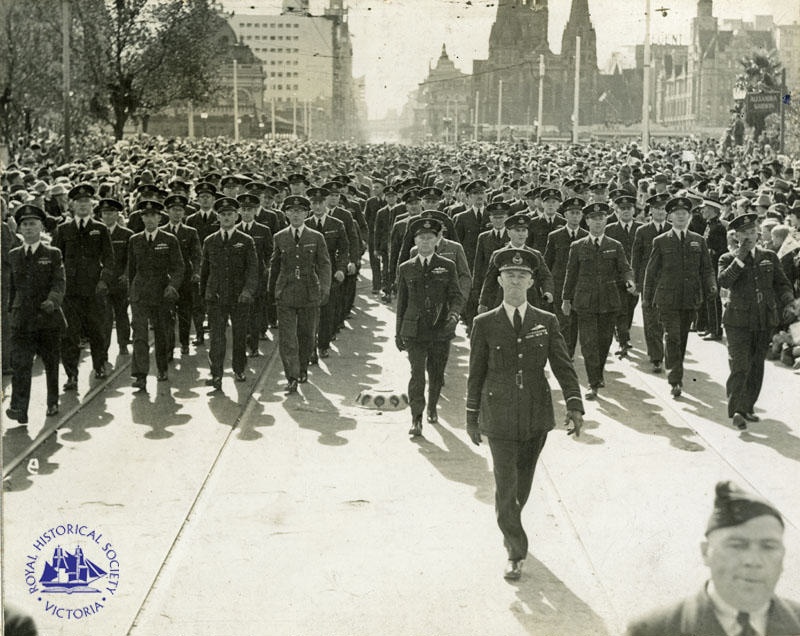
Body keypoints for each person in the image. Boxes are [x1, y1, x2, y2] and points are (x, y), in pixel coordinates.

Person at [466, 247, 584, 581]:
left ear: (532, 282)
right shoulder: (484, 323)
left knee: (521, 487)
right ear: (500, 280)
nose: (515, 281)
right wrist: (471, 415)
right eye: (509, 275)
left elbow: (563, 365)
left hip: (535, 414)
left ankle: (511, 526)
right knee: (506, 485)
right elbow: (475, 373)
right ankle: (516, 551)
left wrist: (574, 404)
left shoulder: (545, 321)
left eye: (522, 276)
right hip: (498, 412)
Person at [626, 480, 800, 636]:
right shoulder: (653, 630)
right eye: (737, 545)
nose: (753, 560)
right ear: (705, 552)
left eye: (769, 546)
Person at [717, 213, 795, 431]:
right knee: (739, 365)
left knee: (756, 366)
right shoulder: (727, 258)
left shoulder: (769, 255)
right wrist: (739, 258)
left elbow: (782, 283)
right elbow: (724, 281)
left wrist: (788, 300)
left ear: (758, 233)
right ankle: (737, 411)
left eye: (752, 232)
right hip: (737, 320)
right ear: (736, 237)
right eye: (744, 234)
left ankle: (748, 406)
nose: (749, 237)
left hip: (763, 319)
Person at [395, 217, 464, 435]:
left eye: (430, 238)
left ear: (437, 240)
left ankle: (432, 406)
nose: (425, 242)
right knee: (417, 374)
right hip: (414, 330)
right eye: (421, 238)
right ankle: (416, 417)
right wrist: (398, 332)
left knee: (436, 373)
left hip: (439, 329)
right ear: (415, 241)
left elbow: (456, 295)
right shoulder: (406, 268)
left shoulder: (447, 266)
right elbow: (402, 303)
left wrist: (453, 315)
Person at [643, 196, 716, 398]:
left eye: (685, 214)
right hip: (667, 298)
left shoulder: (698, 240)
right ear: (670, 217)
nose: (681, 217)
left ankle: (675, 370)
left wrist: (711, 285)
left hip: (690, 299)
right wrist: (647, 298)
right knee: (673, 336)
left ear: (690, 217)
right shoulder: (660, 241)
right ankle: (675, 380)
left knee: (681, 338)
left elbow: (707, 269)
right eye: (677, 214)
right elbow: (651, 271)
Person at [562, 202, 635, 399]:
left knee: (604, 342)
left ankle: (598, 373)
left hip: (608, 301)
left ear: (605, 221)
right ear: (587, 222)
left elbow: (625, 268)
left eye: (601, 218)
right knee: (588, 343)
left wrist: (629, 281)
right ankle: (593, 382)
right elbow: (571, 274)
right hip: (584, 301)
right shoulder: (577, 246)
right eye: (593, 219)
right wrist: (566, 299)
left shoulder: (614, 245)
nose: (597, 222)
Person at [5, 205, 66, 424]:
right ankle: (20, 408)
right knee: (21, 364)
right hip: (22, 319)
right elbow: (12, 288)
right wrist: (12, 312)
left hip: (47, 318)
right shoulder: (14, 255)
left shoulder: (52, 253)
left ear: (41, 227)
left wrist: (53, 300)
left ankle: (52, 401)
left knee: (50, 362)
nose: (29, 228)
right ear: (20, 228)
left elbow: (59, 282)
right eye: (25, 224)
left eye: (33, 224)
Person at [52, 183, 115, 387]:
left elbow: (109, 258)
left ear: (92, 205)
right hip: (69, 292)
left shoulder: (100, 229)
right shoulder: (63, 230)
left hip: (94, 289)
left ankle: (99, 366)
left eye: (86, 202)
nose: (83, 205)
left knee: (97, 330)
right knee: (69, 334)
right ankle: (71, 374)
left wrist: (104, 280)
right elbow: (55, 259)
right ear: (72, 205)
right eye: (79, 202)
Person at [268, 195, 331, 394]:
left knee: (307, 335)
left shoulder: (315, 237)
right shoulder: (280, 237)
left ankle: (302, 368)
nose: (296, 215)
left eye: (300, 211)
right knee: (287, 338)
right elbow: (274, 266)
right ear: (286, 213)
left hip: (309, 291)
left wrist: (324, 289)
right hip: (286, 292)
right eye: (292, 211)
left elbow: (324, 264)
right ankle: (292, 377)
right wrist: (272, 292)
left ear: (307, 213)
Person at [200, 197, 259, 390]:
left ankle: (239, 368)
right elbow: (205, 271)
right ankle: (216, 374)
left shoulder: (245, 241)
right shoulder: (210, 241)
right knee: (216, 337)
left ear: (237, 216)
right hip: (216, 297)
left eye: (230, 214)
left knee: (240, 335)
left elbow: (252, 269)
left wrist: (248, 291)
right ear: (218, 217)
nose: (226, 218)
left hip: (239, 296)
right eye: (223, 215)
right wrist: (204, 295)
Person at [127, 200, 184, 390]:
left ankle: (161, 368)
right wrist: (131, 292)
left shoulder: (169, 239)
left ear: (160, 218)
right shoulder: (134, 240)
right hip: (140, 293)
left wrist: (172, 285)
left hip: (161, 293)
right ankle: (141, 374)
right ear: (141, 218)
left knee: (161, 332)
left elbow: (178, 266)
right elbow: (131, 269)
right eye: (146, 216)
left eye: (153, 216)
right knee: (140, 334)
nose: (150, 219)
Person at [631, 194, 671, 373]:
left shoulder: (673, 229)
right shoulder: (643, 231)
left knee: (666, 320)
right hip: (648, 282)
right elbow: (636, 259)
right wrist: (636, 282)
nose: (661, 212)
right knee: (650, 319)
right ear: (651, 211)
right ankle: (656, 357)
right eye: (657, 209)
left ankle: (665, 353)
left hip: (669, 282)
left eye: (663, 209)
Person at [544, 197, 587, 358]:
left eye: (578, 213)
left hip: (580, 286)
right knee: (563, 321)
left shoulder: (586, 236)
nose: (575, 216)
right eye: (571, 213)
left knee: (575, 322)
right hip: (560, 285)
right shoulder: (555, 236)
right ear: (565, 215)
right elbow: (547, 262)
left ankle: (569, 350)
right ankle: (564, 353)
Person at [163, 193, 202, 358]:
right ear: (167, 212)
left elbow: (197, 254)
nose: (177, 213)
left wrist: (196, 272)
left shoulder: (190, 232)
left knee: (185, 312)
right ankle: (169, 347)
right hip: (166, 279)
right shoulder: (161, 232)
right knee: (167, 314)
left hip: (186, 279)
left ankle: (184, 342)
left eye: (180, 210)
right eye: (173, 210)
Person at [98, 198, 133, 356]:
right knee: (104, 317)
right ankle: (103, 348)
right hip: (103, 282)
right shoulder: (96, 232)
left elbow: (131, 258)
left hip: (119, 281)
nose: (108, 216)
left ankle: (123, 343)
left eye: (111, 212)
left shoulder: (126, 234)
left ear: (117, 214)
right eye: (105, 213)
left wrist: (126, 274)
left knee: (121, 314)